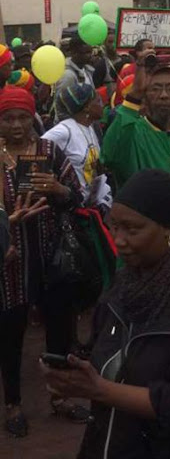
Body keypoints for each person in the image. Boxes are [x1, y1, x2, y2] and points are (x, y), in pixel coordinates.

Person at [41, 169, 170, 459]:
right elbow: (105, 353)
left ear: (166, 228)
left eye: (132, 230)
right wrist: (75, 371)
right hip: (114, 442)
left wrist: (100, 390)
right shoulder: (123, 284)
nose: (119, 240)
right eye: (114, 227)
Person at [0, 86, 87, 436]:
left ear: (32, 118)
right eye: (7, 118)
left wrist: (57, 189)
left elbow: (77, 197)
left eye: (22, 117)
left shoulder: (49, 152)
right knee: (10, 335)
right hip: (10, 264)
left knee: (59, 333)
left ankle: (59, 397)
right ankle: (13, 403)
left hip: (53, 258)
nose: (16, 126)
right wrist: (6, 227)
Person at [101, 56, 170, 189]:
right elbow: (109, 156)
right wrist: (135, 94)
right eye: (155, 89)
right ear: (145, 96)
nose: (163, 95)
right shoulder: (131, 133)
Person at [42, 84, 111, 209]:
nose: (103, 105)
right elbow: (38, 148)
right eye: (98, 101)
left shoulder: (90, 127)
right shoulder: (64, 131)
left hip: (91, 204)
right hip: (73, 206)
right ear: (87, 107)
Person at [55, 37, 94, 119]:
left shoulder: (87, 71)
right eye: (86, 52)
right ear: (74, 53)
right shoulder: (68, 75)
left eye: (91, 52)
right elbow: (61, 104)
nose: (90, 55)